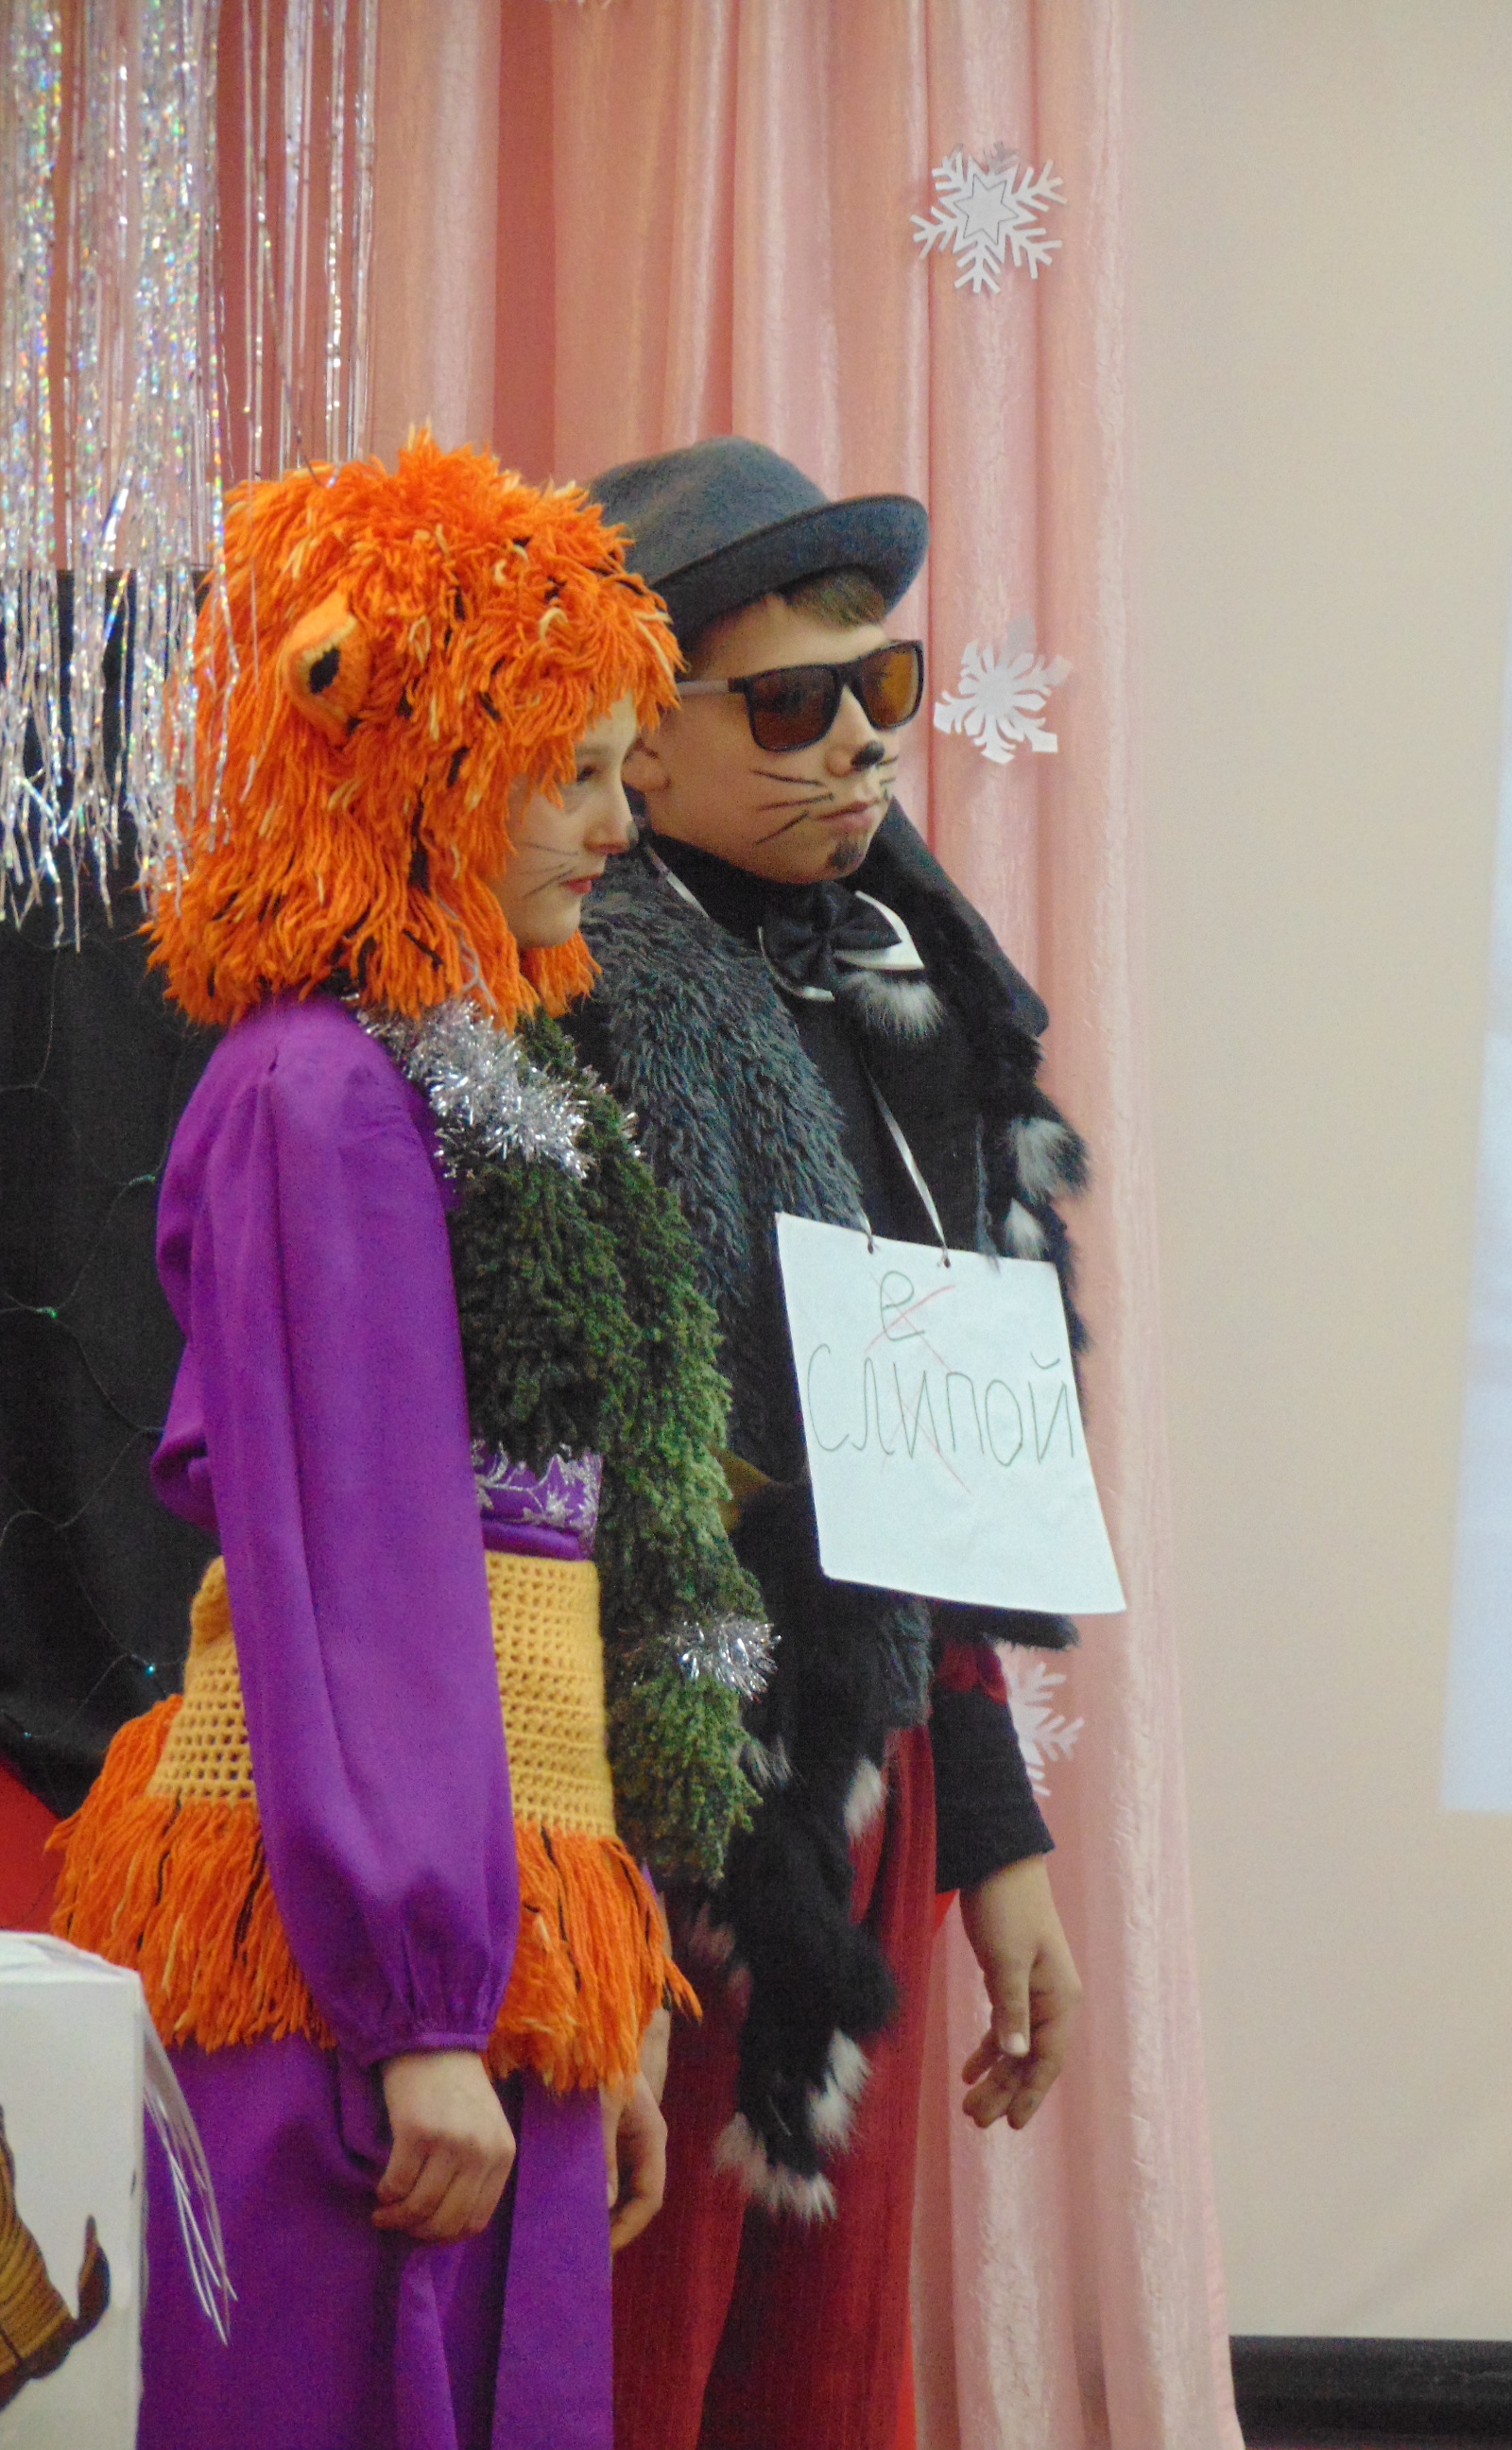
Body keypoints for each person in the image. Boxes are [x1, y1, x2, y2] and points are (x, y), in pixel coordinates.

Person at [50, 435, 769, 2450]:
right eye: (572, 772)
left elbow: (560, 1566)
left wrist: (588, 1987)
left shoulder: (492, 1083)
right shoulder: (322, 1092)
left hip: (474, 1936)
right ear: (422, 766)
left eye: (625, 770)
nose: (620, 824)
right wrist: (425, 2007)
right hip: (358, 1967)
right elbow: (360, 1563)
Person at [566, 436, 1089, 2450]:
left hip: (873, 1760)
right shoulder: (573, 995)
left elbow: (934, 1448)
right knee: (628, 2353)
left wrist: (994, 1833)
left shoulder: (911, 980)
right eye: (792, 703)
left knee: (826, 2379)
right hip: (651, 1782)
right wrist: (595, 1879)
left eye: (883, 686)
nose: (863, 744)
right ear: (639, 730)